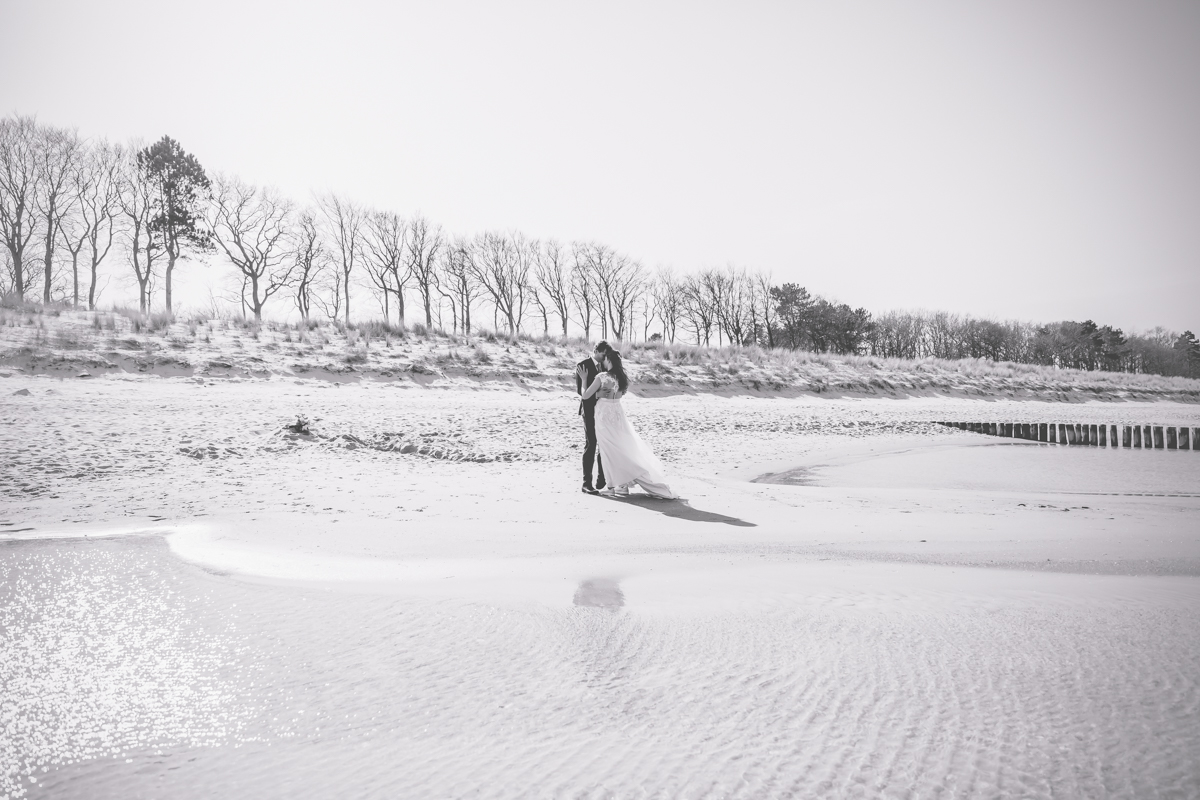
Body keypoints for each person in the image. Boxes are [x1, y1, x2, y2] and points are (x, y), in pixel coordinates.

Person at [576, 349, 675, 499]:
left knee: (607, 450)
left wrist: (584, 379)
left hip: (604, 416)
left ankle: (611, 486)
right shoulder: (620, 378)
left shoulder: (602, 377)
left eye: (604, 359)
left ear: (608, 360)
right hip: (618, 414)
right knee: (619, 448)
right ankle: (622, 485)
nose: (602, 361)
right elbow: (618, 395)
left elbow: (585, 395)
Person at [575, 341, 609, 494]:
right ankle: (586, 483)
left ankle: (601, 478)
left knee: (604, 443)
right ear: (596, 351)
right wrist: (598, 395)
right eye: (603, 354)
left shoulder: (606, 366)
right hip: (588, 411)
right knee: (591, 444)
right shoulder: (583, 365)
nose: (604, 357)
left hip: (603, 411)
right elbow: (579, 391)